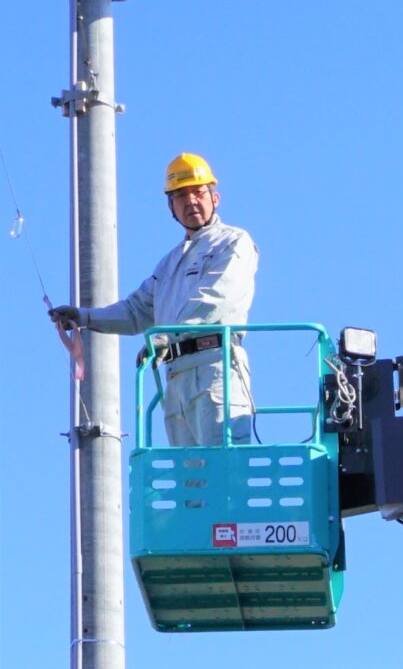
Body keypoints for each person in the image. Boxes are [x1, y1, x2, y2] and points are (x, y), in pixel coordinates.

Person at [50, 151, 258, 447]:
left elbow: (215, 297)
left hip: (216, 368)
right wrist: (83, 318)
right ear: (170, 206)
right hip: (176, 378)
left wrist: (163, 337)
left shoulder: (233, 242)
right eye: (181, 196)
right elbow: (136, 311)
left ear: (215, 197)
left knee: (223, 471)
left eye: (198, 192)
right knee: (190, 483)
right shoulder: (170, 263)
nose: (191, 202)